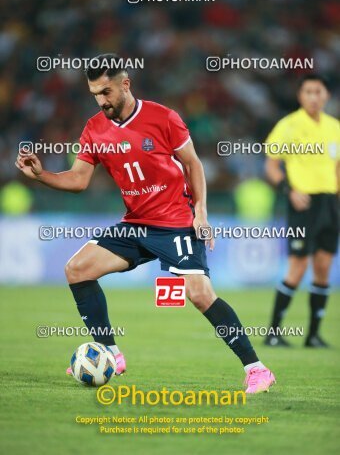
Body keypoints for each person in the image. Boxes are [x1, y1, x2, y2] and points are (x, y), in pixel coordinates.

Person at [16, 53, 275, 393]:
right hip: (136, 223)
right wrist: (41, 175)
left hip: (175, 221)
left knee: (199, 295)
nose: (101, 100)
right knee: (77, 269)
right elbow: (79, 180)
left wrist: (201, 212)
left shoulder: (163, 118)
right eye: (95, 93)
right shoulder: (95, 128)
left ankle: (257, 369)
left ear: (126, 84)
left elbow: (193, 164)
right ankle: (110, 353)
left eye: (106, 92)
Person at [264, 74, 340, 348]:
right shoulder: (289, 126)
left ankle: (313, 335)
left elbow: (337, 169)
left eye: (318, 91)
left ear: (326, 96)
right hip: (303, 204)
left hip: (330, 203)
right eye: (308, 91)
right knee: (298, 265)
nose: (314, 96)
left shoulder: (334, 127)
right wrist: (289, 190)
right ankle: (273, 332)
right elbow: (271, 166)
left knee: (323, 267)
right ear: (300, 96)